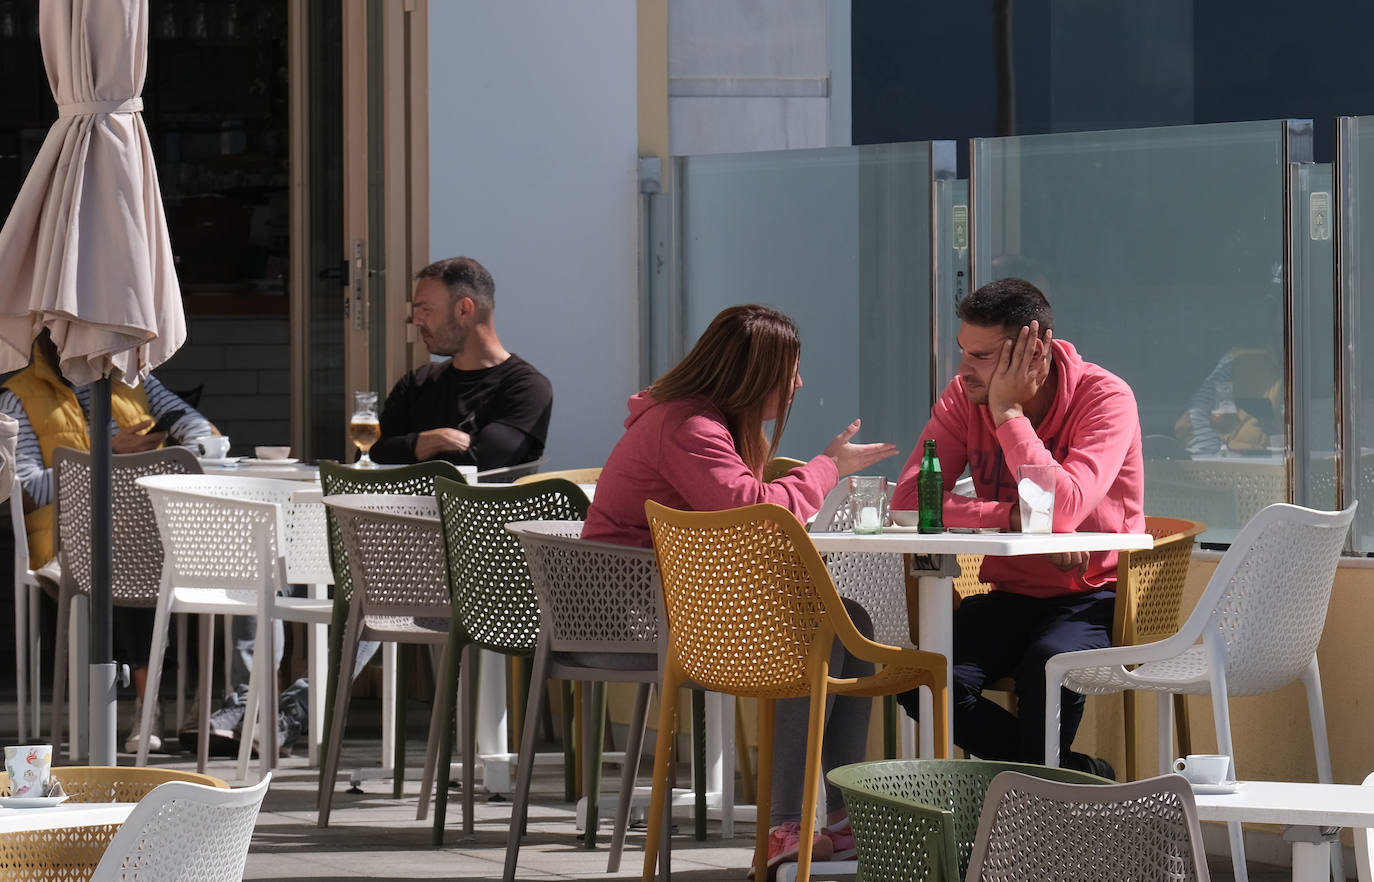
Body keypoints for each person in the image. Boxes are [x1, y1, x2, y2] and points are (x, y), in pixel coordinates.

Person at [583, 304, 898, 879]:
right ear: (752, 374)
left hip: (663, 602)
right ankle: (789, 824)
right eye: (790, 371)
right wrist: (826, 467)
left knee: (851, 621)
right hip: (631, 615)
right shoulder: (688, 427)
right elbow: (756, 516)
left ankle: (840, 812)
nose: (800, 383)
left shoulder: (703, 422)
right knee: (816, 628)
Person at [892, 277, 1144, 777]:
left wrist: (1008, 413)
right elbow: (907, 503)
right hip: (1008, 593)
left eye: (983, 357)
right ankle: (1069, 774)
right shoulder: (963, 397)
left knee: (1048, 666)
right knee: (922, 682)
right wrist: (1012, 519)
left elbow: (1064, 508)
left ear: (1038, 350)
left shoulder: (1105, 398)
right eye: (963, 351)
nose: (964, 370)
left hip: (1093, 595)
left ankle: (1040, 795)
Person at [0, 330, 216, 753]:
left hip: (141, 532)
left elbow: (196, 424)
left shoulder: (134, 381)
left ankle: (150, 702)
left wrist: (188, 442)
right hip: (61, 535)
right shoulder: (16, 397)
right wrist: (108, 454)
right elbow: (21, 490)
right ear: (44, 333)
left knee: (135, 548)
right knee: (118, 551)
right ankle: (143, 701)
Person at [372, 256, 552, 470]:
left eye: (425, 310)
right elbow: (368, 454)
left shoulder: (526, 387)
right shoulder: (417, 382)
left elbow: (483, 465)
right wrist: (425, 441)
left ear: (464, 310)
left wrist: (406, 451)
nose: (416, 320)